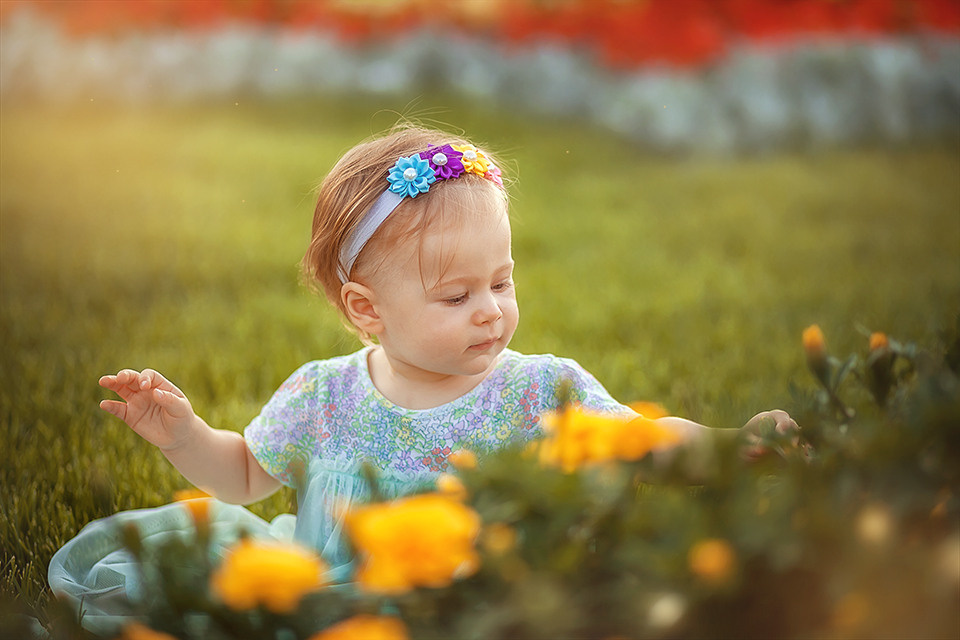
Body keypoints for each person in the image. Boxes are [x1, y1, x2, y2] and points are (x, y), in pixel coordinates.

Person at [49, 124, 797, 634]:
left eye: (501, 283)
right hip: (340, 609)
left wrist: (730, 444)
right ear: (367, 310)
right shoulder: (322, 396)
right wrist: (185, 436)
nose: (490, 313)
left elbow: (641, 440)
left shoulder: (539, 391)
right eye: (455, 296)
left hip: (485, 610)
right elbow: (245, 474)